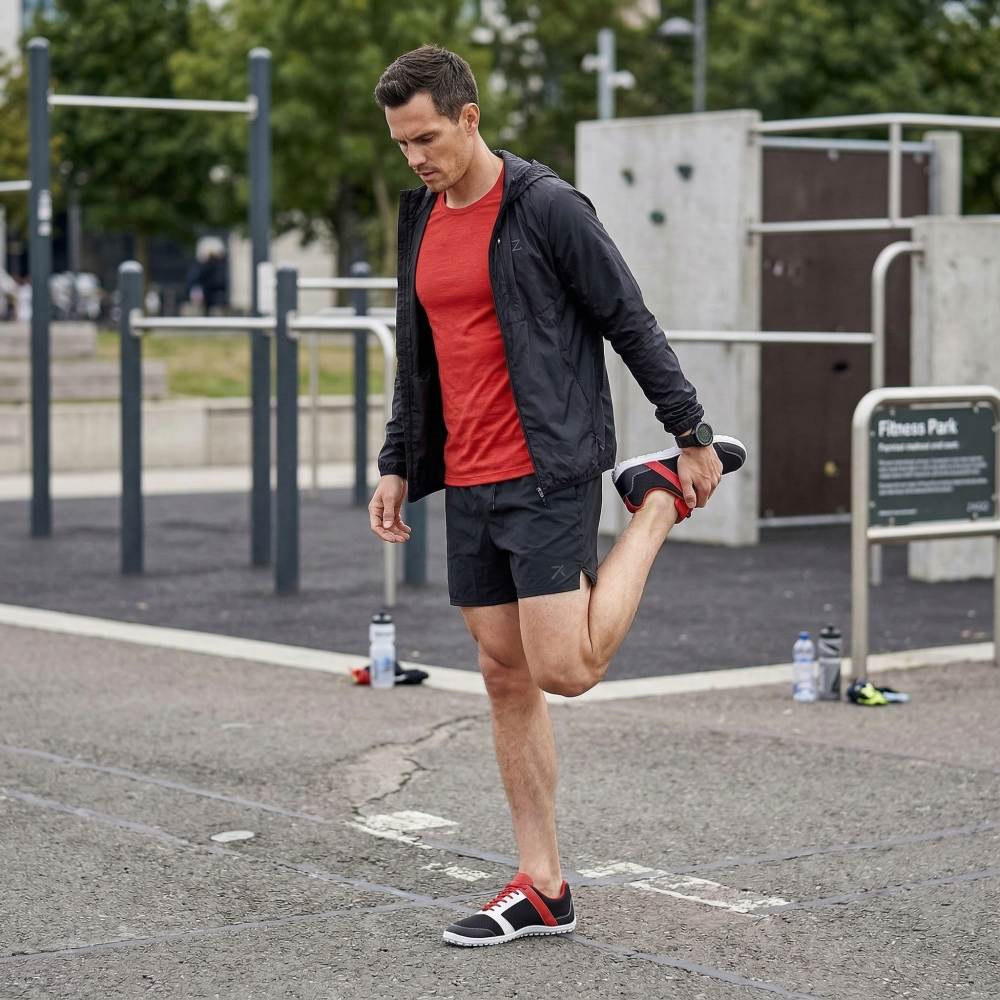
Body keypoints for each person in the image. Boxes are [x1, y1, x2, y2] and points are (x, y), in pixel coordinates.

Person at [369, 45, 746, 948]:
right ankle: (542, 886)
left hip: (547, 466)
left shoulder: (546, 207)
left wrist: (690, 433)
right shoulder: (420, 215)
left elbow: (628, 319)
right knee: (504, 673)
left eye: (427, 137)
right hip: (469, 476)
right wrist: (397, 459)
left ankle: (654, 504)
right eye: (401, 143)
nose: (415, 157)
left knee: (565, 670)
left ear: (469, 117)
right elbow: (417, 350)